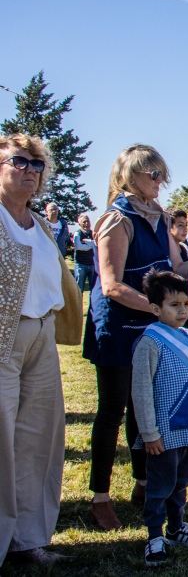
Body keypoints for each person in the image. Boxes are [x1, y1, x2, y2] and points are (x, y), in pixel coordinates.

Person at [84, 144, 188, 532]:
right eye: (153, 175)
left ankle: (143, 484)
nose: (160, 182)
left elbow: (177, 266)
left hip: (150, 323)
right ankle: (99, 497)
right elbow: (112, 285)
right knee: (112, 411)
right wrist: (158, 309)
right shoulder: (116, 219)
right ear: (131, 177)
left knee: (144, 404)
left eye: (162, 174)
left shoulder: (161, 217)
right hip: (118, 325)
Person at [0, 134, 81, 566]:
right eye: (19, 161)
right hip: (2, 339)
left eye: (37, 165)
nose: (30, 170)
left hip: (41, 336)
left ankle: (27, 541)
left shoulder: (44, 225)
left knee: (38, 440)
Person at [130, 270, 188, 567]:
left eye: (185, 303)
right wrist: (149, 432)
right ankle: (154, 535)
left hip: (187, 426)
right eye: (173, 305)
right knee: (160, 485)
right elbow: (141, 391)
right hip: (162, 431)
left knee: (182, 480)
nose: (182, 310)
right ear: (155, 309)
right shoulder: (150, 341)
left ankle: (176, 526)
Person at [73, 214, 97, 292]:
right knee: (79, 289)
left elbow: (97, 243)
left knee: (93, 290)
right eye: (84, 222)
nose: (87, 223)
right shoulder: (78, 233)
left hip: (92, 264)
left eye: (88, 221)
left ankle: (91, 305)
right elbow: (79, 246)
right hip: (80, 265)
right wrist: (91, 245)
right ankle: (78, 304)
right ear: (80, 224)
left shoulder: (93, 233)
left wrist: (87, 242)